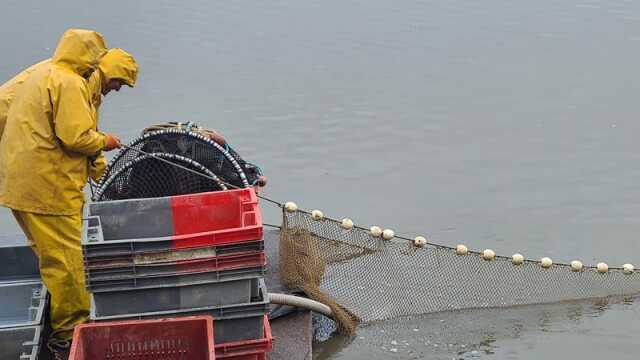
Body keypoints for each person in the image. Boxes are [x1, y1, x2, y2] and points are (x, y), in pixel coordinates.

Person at [0, 29, 122, 344]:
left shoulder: (44, 72)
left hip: (21, 184)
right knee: (67, 263)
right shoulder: (70, 83)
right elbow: (78, 137)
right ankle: (70, 333)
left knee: (51, 256)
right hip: (49, 190)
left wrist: (96, 165)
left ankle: (63, 318)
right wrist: (105, 142)